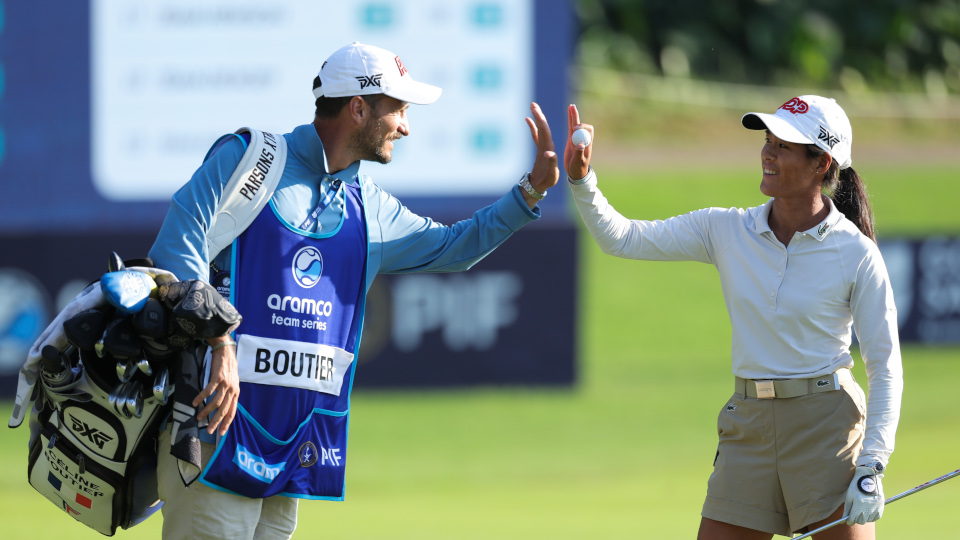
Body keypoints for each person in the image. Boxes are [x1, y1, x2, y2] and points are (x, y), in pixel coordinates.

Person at [147, 41, 559, 539]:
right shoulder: (248, 159)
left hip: (291, 455)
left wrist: (530, 191)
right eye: (399, 110)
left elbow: (455, 247)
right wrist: (221, 343)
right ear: (359, 108)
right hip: (214, 432)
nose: (405, 126)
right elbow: (176, 247)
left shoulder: (371, 206)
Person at [561, 97, 902, 539]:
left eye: (785, 146)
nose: (768, 153)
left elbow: (885, 367)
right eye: (767, 141)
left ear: (823, 164)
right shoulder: (726, 230)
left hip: (827, 430)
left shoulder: (856, 253)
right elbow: (623, 238)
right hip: (750, 425)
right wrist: (581, 179)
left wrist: (872, 464)